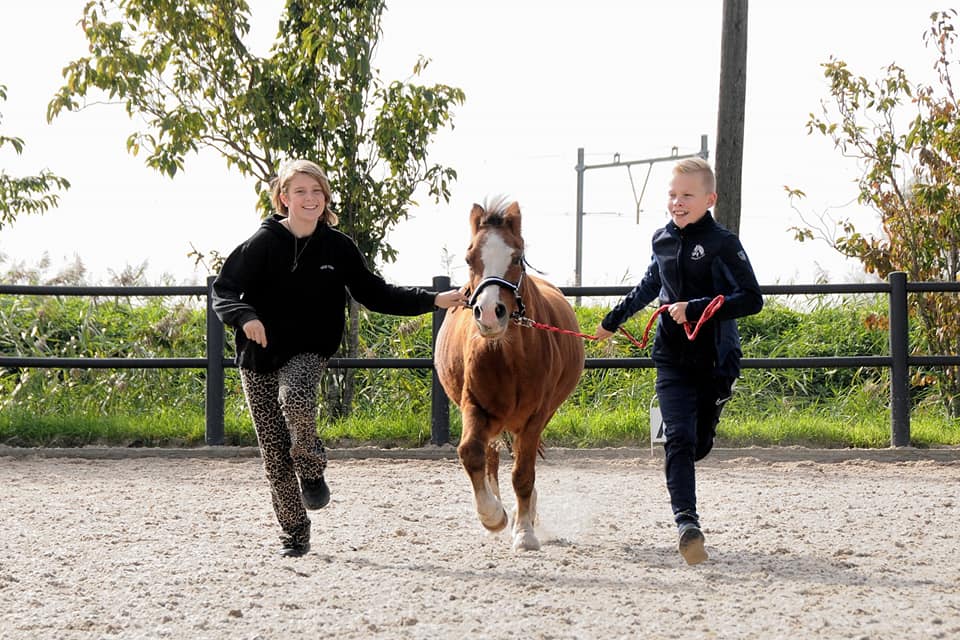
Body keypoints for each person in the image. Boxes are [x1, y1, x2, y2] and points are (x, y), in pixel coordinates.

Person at [212, 159, 467, 558]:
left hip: (308, 349)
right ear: (284, 198)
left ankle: (312, 469)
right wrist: (246, 317)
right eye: (300, 191)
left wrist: (434, 299)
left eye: (317, 191)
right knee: (275, 455)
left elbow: (376, 293)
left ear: (326, 198)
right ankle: (295, 532)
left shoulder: (338, 247)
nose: (310, 198)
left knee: (296, 397)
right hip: (257, 357)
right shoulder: (261, 243)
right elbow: (224, 290)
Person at [594, 157, 763, 565]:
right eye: (672, 195)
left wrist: (696, 307)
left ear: (710, 199)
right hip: (671, 356)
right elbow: (648, 285)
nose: (677, 202)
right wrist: (611, 322)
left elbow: (752, 299)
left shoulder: (724, 243)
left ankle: (708, 421)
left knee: (698, 443)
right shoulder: (662, 240)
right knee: (678, 439)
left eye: (687, 195)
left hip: (716, 358)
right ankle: (687, 525)